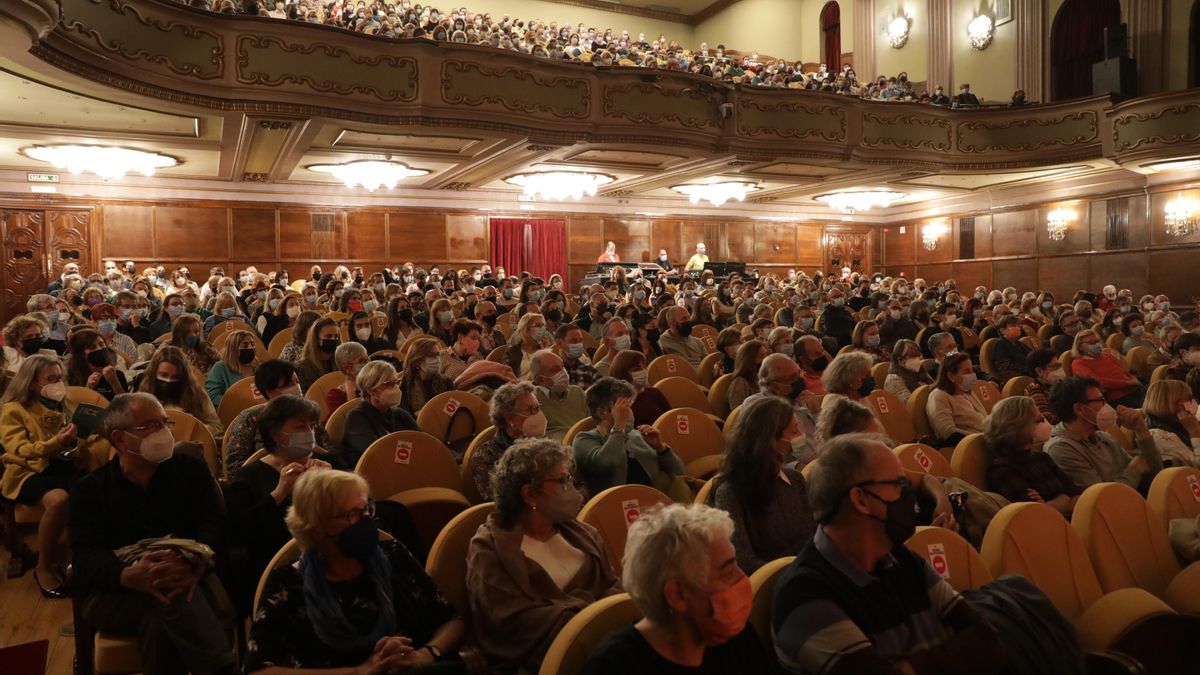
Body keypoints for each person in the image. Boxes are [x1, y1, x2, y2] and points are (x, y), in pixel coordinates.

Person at [772, 433, 1004, 675]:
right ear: (861, 500)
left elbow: (988, 640)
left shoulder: (901, 559)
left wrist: (910, 667)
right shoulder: (804, 596)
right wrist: (956, 652)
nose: (910, 498)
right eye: (900, 485)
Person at [69, 393, 238, 675]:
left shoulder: (191, 471)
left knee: (159, 619)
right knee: (173, 593)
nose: (163, 432)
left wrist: (194, 562)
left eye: (165, 422)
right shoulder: (88, 491)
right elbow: (85, 556)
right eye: (150, 425)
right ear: (120, 439)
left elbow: (214, 526)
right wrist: (126, 575)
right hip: (116, 593)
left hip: (189, 575)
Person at [244, 469, 467, 674]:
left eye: (366, 509)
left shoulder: (393, 555)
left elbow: (451, 620)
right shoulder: (287, 584)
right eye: (351, 515)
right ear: (316, 530)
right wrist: (360, 671)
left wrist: (425, 655)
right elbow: (258, 670)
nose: (366, 521)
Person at [466, 438, 622, 672]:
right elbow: (512, 622)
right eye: (561, 481)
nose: (572, 487)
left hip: (606, 642)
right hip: (544, 660)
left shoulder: (581, 532)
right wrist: (591, 616)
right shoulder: (489, 550)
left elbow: (612, 584)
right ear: (530, 495)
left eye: (568, 478)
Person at [582, 504, 771, 674]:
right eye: (727, 572)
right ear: (678, 594)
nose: (743, 578)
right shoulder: (615, 666)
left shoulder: (736, 635)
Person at [224, 395, 333, 612]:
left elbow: (360, 510)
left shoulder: (329, 464)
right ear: (276, 434)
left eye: (312, 426)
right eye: (300, 426)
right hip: (277, 566)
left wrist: (331, 485)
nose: (310, 433)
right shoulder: (249, 477)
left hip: (333, 555)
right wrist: (280, 492)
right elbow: (239, 531)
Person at [0, 354, 83, 597]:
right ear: (32, 382)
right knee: (58, 500)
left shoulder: (64, 403)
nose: (57, 383)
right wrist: (55, 443)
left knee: (93, 489)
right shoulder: (13, 409)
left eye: (60, 378)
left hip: (62, 465)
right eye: (50, 379)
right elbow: (20, 450)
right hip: (27, 470)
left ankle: (79, 555)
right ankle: (43, 567)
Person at [713, 396, 816, 573]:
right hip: (769, 586)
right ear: (769, 439)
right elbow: (744, 562)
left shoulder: (796, 480)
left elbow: (813, 538)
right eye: (794, 432)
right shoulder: (730, 493)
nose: (801, 436)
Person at [572, 376, 684, 498]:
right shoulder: (584, 439)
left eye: (629, 406)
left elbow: (680, 473)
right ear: (601, 412)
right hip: (619, 506)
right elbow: (606, 463)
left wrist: (661, 449)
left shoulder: (637, 436)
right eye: (623, 408)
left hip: (657, 501)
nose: (629, 413)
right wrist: (619, 426)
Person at [1046, 376, 1162, 493]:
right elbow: (1103, 497)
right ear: (1080, 409)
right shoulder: (1061, 449)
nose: (1107, 406)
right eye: (1101, 401)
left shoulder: (1102, 436)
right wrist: (1134, 469)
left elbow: (1154, 472)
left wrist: (1141, 430)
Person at [222, 360, 340, 474]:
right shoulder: (251, 418)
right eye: (289, 384)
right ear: (270, 392)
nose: (297, 388)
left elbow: (330, 452)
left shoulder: (307, 414)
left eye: (297, 382)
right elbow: (235, 467)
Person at [983, 396, 1081, 514]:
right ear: (1018, 427)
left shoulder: (1042, 458)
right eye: (1038, 421)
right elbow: (1037, 513)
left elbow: (1077, 494)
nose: (1046, 423)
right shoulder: (1001, 470)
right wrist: (1064, 499)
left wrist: (1053, 505)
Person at [471, 382, 547, 501]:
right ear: (510, 418)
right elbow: (494, 500)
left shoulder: (545, 445)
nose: (537, 414)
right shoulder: (487, 455)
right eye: (530, 409)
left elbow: (574, 481)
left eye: (537, 408)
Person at [343, 360, 419, 466]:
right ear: (371, 390)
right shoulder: (356, 418)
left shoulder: (400, 414)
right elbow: (377, 452)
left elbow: (423, 442)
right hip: (372, 472)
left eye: (396, 383)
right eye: (389, 384)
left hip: (401, 468)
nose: (396, 388)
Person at [139, 346, 223, 440]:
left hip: (189, 447)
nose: (168, 380)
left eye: (175, 377)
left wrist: (193, 429)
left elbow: (217, 426)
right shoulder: (144, 395)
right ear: (155, 373)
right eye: (163, 375)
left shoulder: (196, 393)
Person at [1068, 328, 1145, 408]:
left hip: (1132, 389)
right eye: (1091, 343)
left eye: (1097, 341)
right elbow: (1097, 382)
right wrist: (1127, 383)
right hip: (1115, 398)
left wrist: (1133, 379)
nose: (1096, 344)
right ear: (1080, 346)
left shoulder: (1105, 355)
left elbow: (1122, 371)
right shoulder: (1078, 363)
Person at [927, 352, 987, 446]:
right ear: (951, 376)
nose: (972, 375)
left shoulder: (967, 391)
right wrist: (981, 438)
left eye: (972, 370)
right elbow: (948, 432)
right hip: (970, 447)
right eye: (967, 371)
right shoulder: (938, 396)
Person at [1142, 379, 1200, 468]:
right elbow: (1196, 466)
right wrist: (1194, 432)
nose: (1193, 402)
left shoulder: (1183, 424)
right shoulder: (1158, 435)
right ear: (1172, 404)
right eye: (1189, 399)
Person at [609, 349, 672, 426]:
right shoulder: (618, 401)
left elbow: (670, 417)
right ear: (623, 373)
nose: (644, 371)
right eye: (637, 369)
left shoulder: (654, 393)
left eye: (644, 367)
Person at [65, 327, 128, 402]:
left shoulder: (117, 374)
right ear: (81, 353)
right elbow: (75, 406)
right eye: (92, 347)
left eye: (101, 344)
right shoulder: (73, 376)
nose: (99, 349)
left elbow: (125, 404)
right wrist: (88, 388)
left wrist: (114, 382)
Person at [398, 337, 453, 417]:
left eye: (437, 354)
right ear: (417, 361)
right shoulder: (404, 384)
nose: (437, 359)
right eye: (431, 355)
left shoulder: (446, 382)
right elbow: (404, 416)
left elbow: (453, 409)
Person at [204, 329, 258, 409]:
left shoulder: (257, 366)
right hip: (232, 412)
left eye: (252, 344)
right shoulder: (220, 368)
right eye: (245, 345)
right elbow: (213, 396)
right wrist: (237, 404)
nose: (250, 347)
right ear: (233, 348)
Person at [324, 341, 368, 418]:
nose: (367, 364)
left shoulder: (374, 383)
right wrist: (351, 393)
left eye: (367, 359)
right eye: (362, 361)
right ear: (347, 368)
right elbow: (351, 421)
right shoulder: (335, 395)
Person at [296, 317, 340, 391]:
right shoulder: (302, 368)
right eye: (328, 336)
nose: (333, 339)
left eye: (336, 336)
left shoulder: (339, 362)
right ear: (316, 339)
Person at [503, 312, 553, 377]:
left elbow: (553, 372)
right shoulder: (512, 352)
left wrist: (546, 351)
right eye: (538, 325)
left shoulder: (545, 348)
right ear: (526, 329)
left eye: (543, 325)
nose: (542, 328)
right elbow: (508, 377)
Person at [883, 339, 931, 404]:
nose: (917, 359)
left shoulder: (920, 371)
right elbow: (909, 405)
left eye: (918, 355)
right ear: (899, 360)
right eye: (913, 356)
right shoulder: (894, 379)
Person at [727, 340, 767, 410]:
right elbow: (739, 413)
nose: (765, 359)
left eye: (765, 355)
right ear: (749, 360)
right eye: (761, 356)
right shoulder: (740, 384)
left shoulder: (761, 377)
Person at [554, 323, 598, 387]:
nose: (578, 344)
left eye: (580, 340)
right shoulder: (552, 372)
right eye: (573, 341)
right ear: (559, 344)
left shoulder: (588, 369)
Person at [990, 315, 1031, 381]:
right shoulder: (1000, 344)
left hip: (1028, 373)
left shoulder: (1019, 343)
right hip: (1015, 378)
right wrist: (1027, 369)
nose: (1017, 328)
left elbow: (1032, 356)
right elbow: (1005, 366)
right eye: (1013, 326)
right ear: (1002, 330)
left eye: (1018, 325)